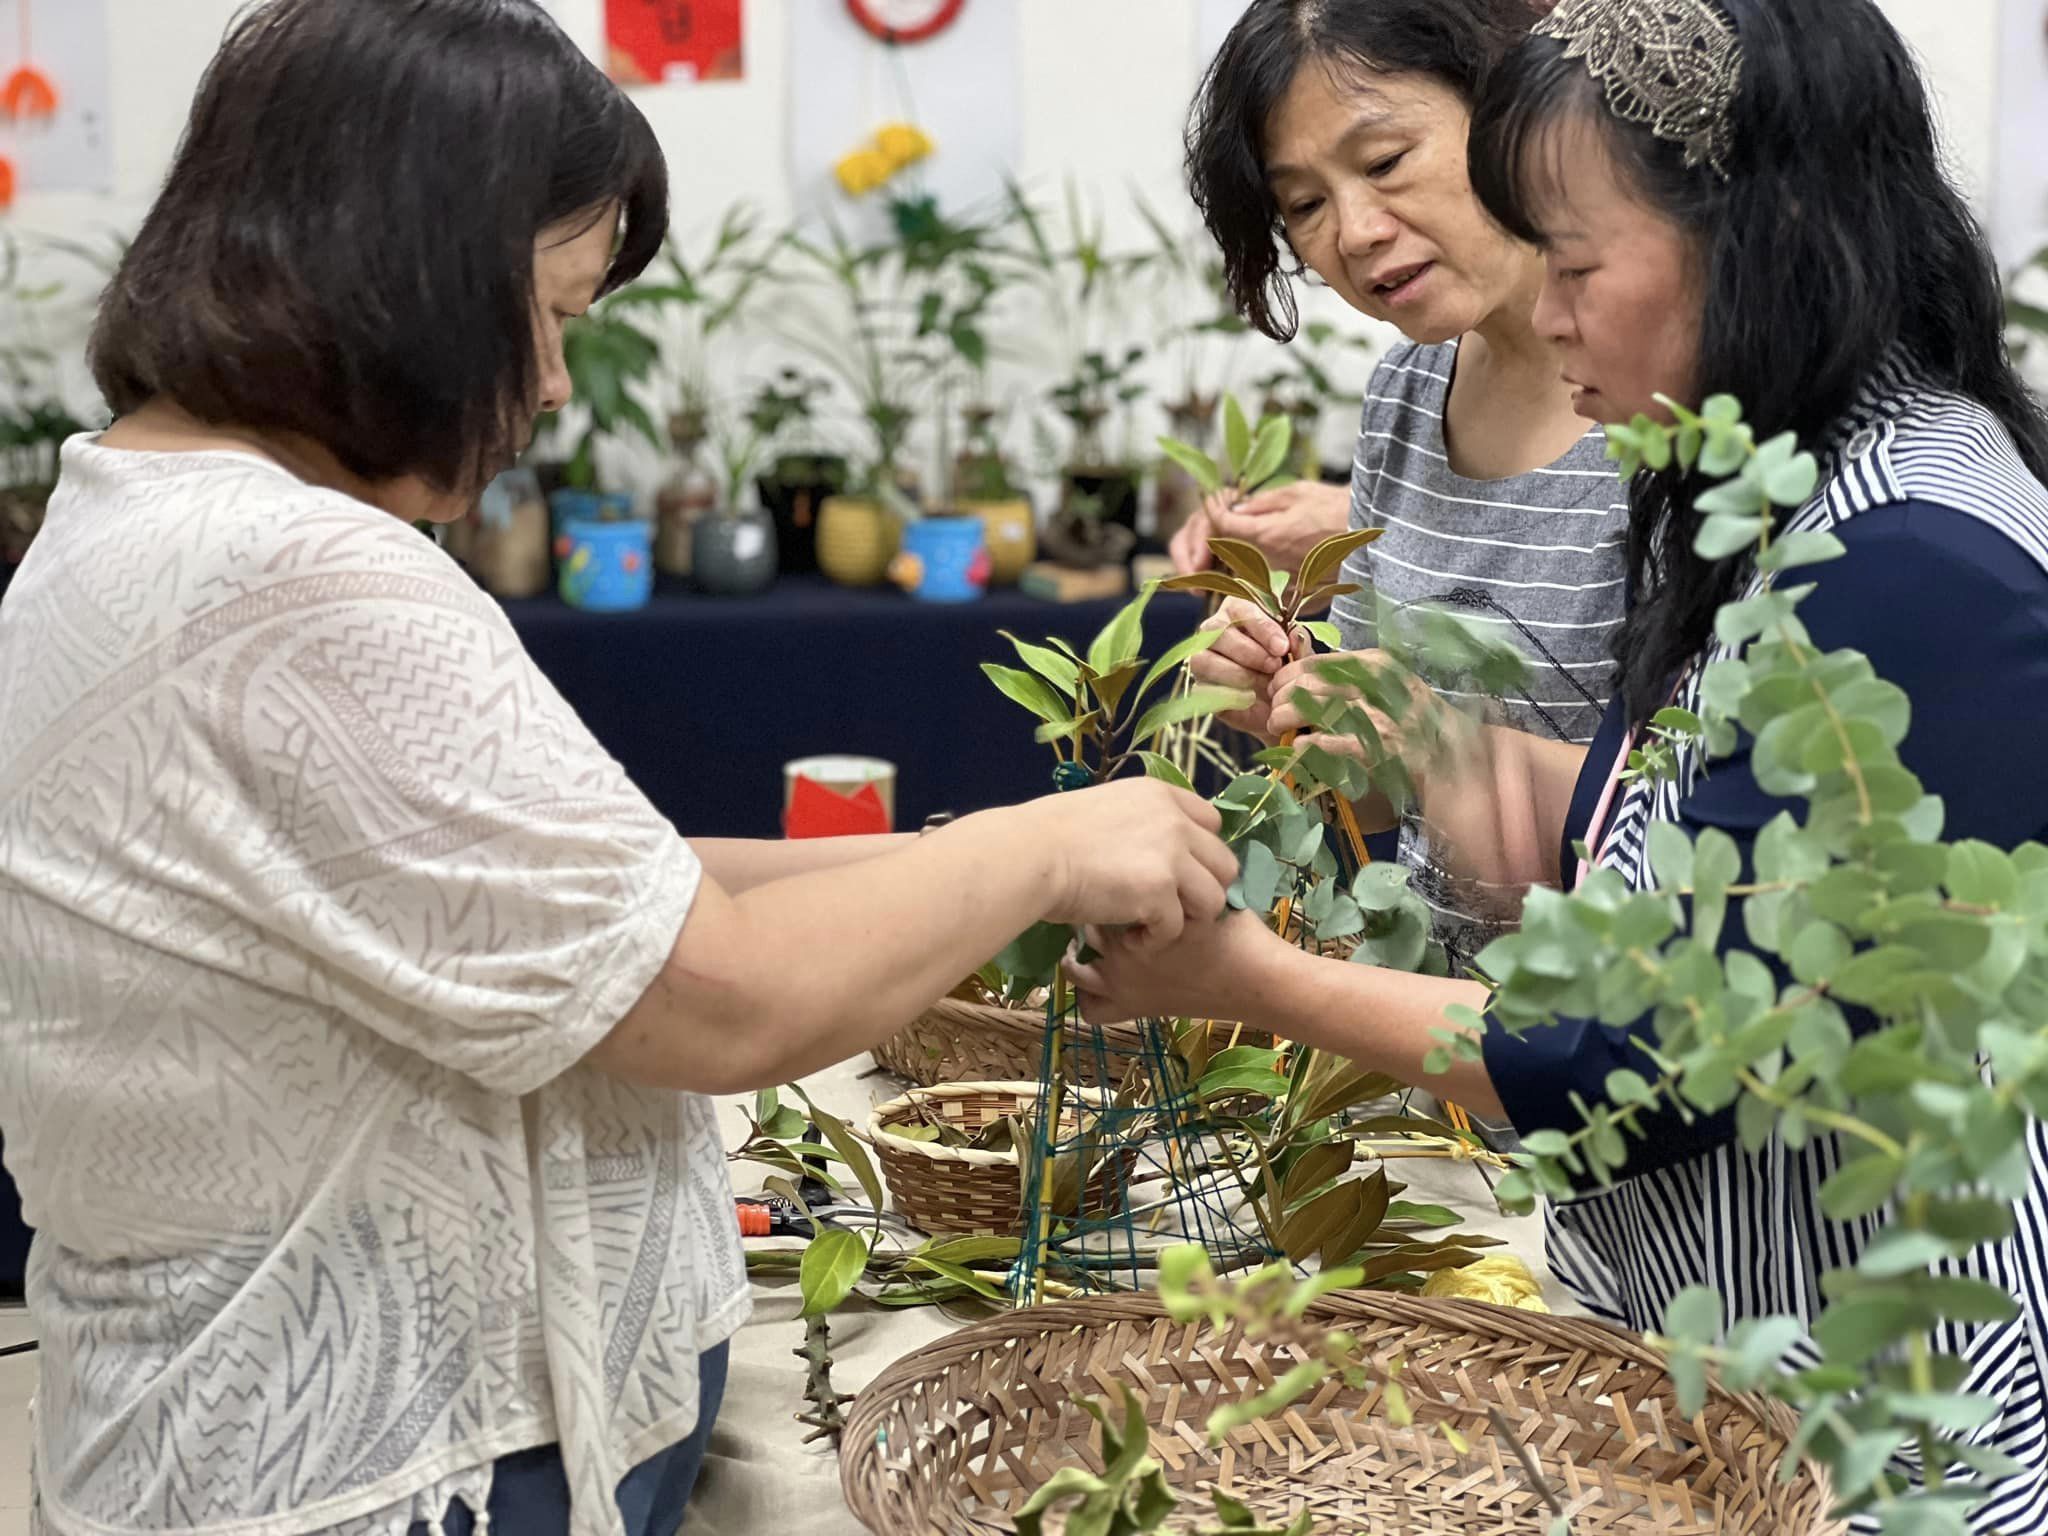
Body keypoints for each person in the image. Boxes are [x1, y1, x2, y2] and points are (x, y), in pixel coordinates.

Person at [0, 6, 1236, 1536]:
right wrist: (1040, 856)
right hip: (380, 1476)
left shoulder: (145, 511)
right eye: (556, 313)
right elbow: (713, 996)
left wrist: (944, 854)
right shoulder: (296, 578)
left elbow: (609, 890)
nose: (559, 384)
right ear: (410, 277)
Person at [1072, 0, 2048, 1521]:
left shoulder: (1907, 556)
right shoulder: (1773, 486)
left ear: (1761, 237)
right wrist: (1444, 755)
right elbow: (1663, 831)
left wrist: (1244, 976)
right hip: (1722, 1362)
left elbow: (1653, 1052)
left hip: (1872, 1411)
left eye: (1578, 264)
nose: (1556, 311)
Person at [1178, 0, 1631, 973]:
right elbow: (1391, 799)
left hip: (1634, 1072)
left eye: (1384, 162)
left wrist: (1436, 742)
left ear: (1514, 103)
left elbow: (1723, 838)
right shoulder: (1405, 396)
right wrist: (1299, 708)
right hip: (1441, 1067)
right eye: (1301, 204)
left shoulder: (1670, 407)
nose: (1355, 231)